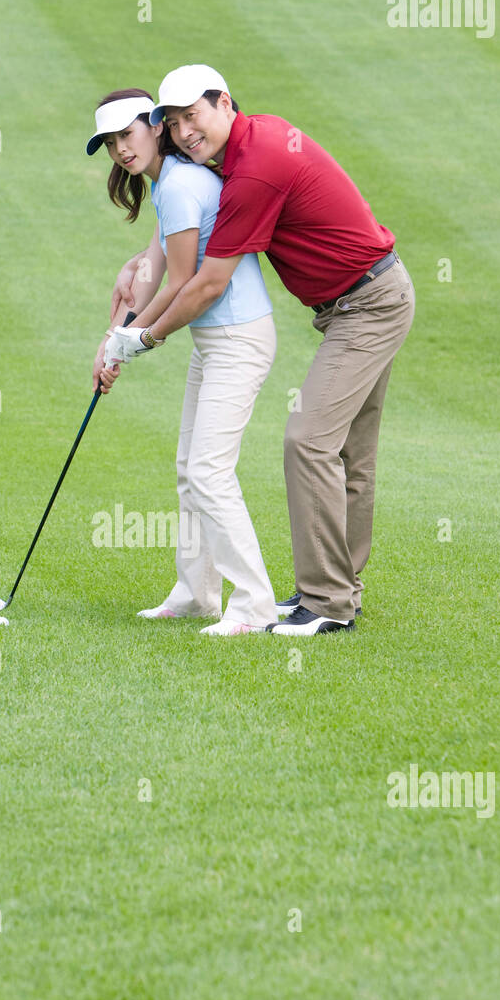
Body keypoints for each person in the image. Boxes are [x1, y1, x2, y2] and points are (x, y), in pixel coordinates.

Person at [107, 65, 415, 636]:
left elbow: (206, 284)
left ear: (224, 102)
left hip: (370, 303)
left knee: (309, 441)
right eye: (172, 123)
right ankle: (333, 591)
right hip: (353, 303)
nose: (183, 133)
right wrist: (140, 264)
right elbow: (178, 226)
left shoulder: (256, 167)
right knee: (349, 452)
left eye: (191, 116)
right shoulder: (238, 150)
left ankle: (327, 605)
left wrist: (142, 338)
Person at [86, 87, 278, 635]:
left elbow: (183, 282)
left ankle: (253, 605)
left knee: (209, 473)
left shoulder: (180, 185)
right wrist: (116, 333)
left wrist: (135, 340)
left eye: (129, 134)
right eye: (110, 142)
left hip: (237, 338)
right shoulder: (169, 183)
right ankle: (196, 594)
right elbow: (153, 267)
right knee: (190, 472)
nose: (121, 149)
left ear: (155, 126)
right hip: (216, 341)